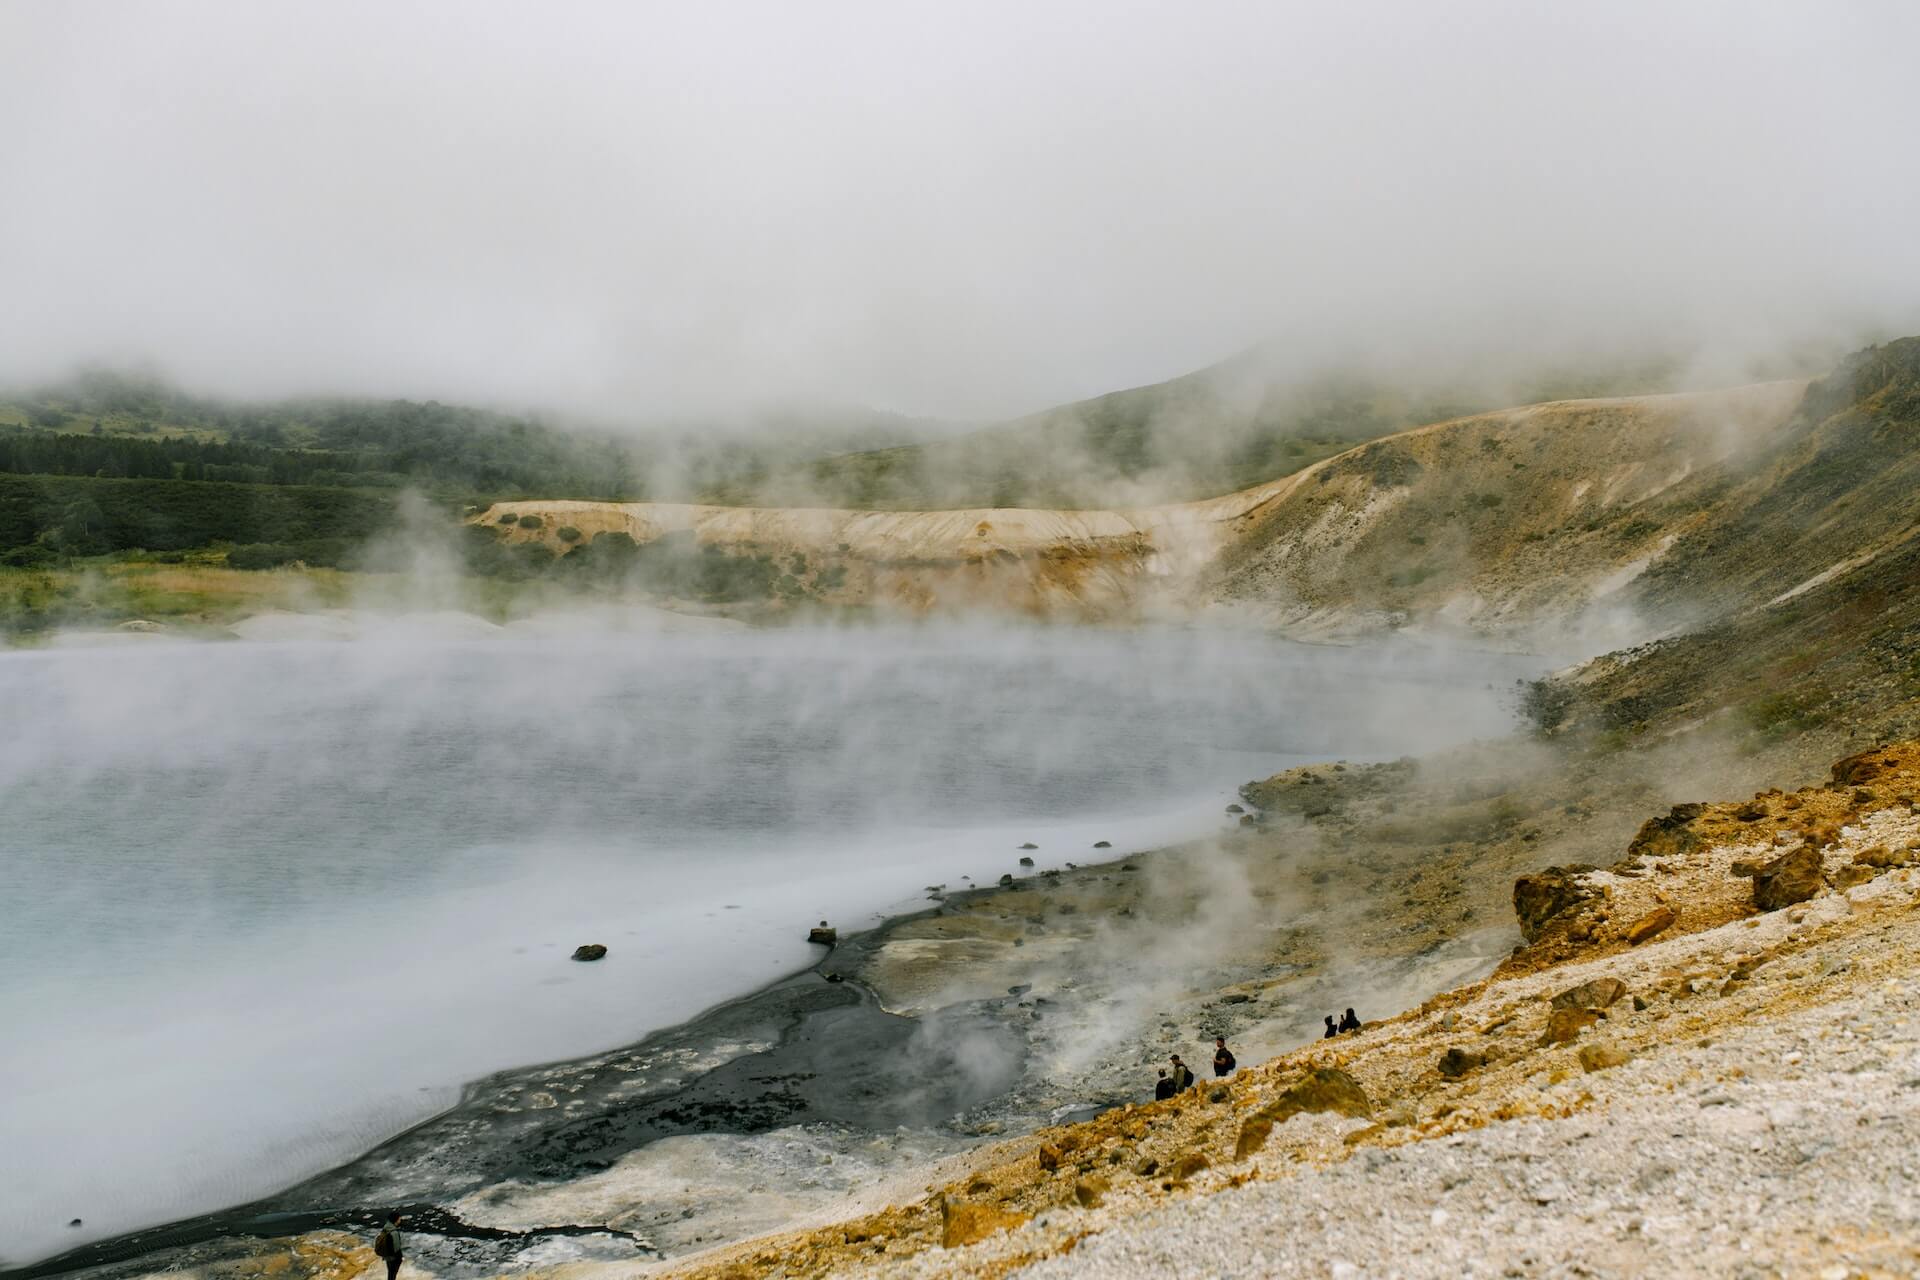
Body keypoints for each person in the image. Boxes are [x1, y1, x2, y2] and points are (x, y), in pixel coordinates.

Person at [373, 1211, 404, 1279]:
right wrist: (401, 1258)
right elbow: (396, 1248)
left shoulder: (386, 1228)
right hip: (394, 1258)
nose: (400, 1220)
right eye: (399, 1219)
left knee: (390, 1274)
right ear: (395, 1220)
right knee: (392, 1275)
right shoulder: (394, 1232)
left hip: (387, 1256)